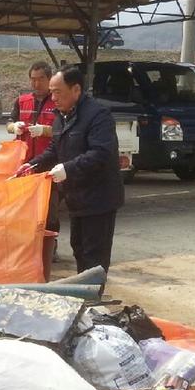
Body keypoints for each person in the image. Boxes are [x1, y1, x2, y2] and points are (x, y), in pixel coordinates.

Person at [16, 65, 123, 274]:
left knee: (95, 254)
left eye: (58, 92)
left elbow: (101, 153)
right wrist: (33, 164)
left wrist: (68, 169)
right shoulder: (61, 115)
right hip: (77, 198)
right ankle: (86, 295)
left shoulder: (98, 115)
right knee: (79, 249)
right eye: (52, 92)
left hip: (98, 198)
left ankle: (93, 298)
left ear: (76, 90)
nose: (53, 97)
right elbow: (55, 149)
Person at [9, 61, 60, 240]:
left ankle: (49, 247)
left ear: (49, 79)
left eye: (40, 79)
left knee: (49, 208)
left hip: (48, 164)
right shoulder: (22, 101)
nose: (36, 84)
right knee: (24, 207)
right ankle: (27, 243)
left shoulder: (58, 101)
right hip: (25, 165)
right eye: (32, 80)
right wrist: (14, 127)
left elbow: (66, 130)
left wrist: (44, 130)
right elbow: (8, 124)